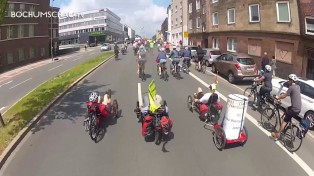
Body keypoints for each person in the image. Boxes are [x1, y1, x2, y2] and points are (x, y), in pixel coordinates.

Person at [272, 74, 309, 139]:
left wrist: (278, 97)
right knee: (287, 109)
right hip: (298, 108)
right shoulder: (298, 87)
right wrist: (285, 94)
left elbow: (285, 95)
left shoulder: (291, 87)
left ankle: (278, 134)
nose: (288, 81)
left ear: (292, 81)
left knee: (284, 120)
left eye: (289, 80)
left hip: (294, 109)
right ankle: (288, 125)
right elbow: (293, 94)